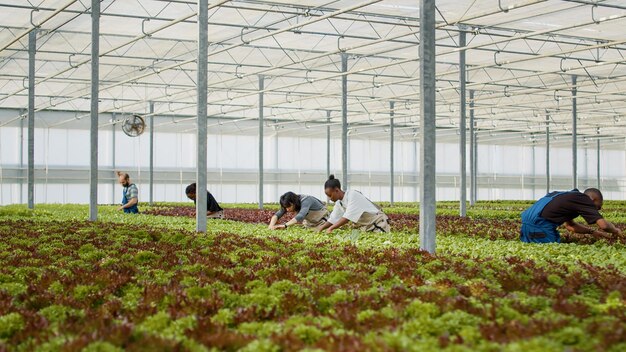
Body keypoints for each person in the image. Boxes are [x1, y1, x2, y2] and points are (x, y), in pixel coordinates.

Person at [520, 188, 622, 243]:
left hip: (526, 229)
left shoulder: (569, 196)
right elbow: (603, 225)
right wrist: (616, 230)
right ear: (593, 200)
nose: (597, 210)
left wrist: (592, 232)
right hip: (539, 228)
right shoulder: (584, 199)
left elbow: (570, 226)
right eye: (598, 207)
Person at [318, 175, 390, 234]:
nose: (329, 198)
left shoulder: (352, 195)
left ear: (337, 190)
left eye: (330, 195)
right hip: (367, 226)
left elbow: (347, 218)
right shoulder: (339, 203)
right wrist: (320, 229)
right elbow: (333, 219)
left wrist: (331, 228)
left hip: (379, 223)